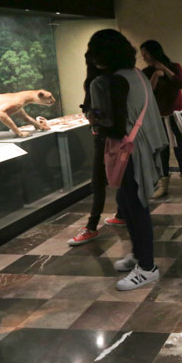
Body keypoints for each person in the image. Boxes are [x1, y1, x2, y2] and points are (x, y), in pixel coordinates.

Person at [86, 30, 168, 290]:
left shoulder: (110, 82)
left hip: (129, 150)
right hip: (143, 146)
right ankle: (138, 255)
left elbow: (114, 127)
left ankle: (147, 267)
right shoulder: (137, 75)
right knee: (126, 201)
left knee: (135, 206)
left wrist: (95, 119)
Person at [67, 52, 122, 247]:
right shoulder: (119, 78)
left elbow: (101, 113)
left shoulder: (97, 82)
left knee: (98, 180)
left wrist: (93, 115)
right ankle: (122, 213)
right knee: (120, 175)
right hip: (119, 137)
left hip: (102, 135)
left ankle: (91, 227)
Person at [139, 40, 182, 200]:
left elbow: (181, 83)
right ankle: (163, 185)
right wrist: (156, 75)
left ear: (155, 52)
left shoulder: (174, 66)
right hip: (159, 116)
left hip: (176, 115)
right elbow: (148, 93)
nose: (145, 58)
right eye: (142, 55)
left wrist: (164, 69)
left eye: (146, 54)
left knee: (179, 149)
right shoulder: (147, 72)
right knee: (162, 150)